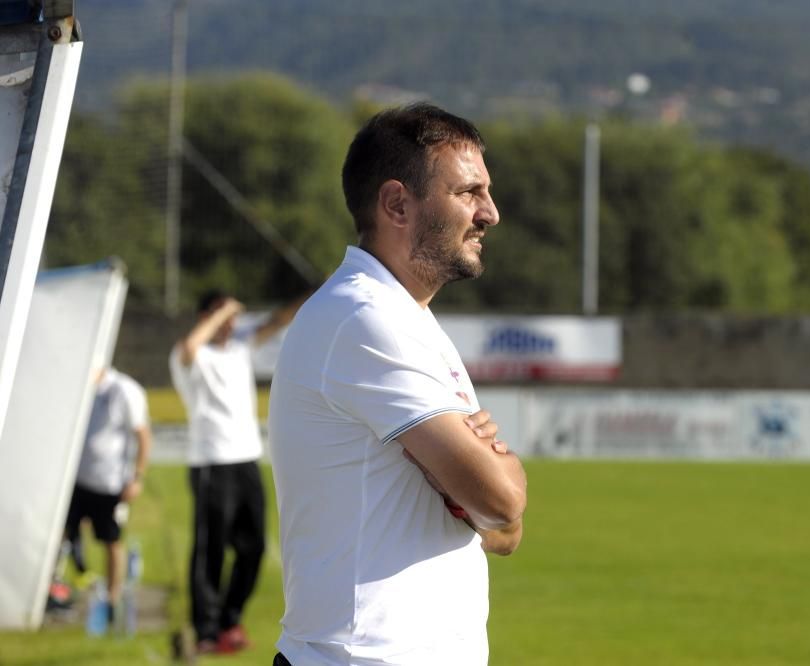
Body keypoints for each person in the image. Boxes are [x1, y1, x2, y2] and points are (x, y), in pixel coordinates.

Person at [268, 103, 528, 666]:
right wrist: (488, 477)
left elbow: (504, 530)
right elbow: (502, 499)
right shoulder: (364, 318)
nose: (492, 213)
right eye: (469, 192)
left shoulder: (403, 315)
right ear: (396, 204)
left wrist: (481, 489)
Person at [169, 289, 303, 655]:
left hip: (246, 459)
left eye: (232, 316)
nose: (230, 322)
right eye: (221, 316)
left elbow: (277, 321)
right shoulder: (192, 354)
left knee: (254, 547)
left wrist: (317, 290)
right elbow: (189, 348)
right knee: (210, 549)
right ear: (205, 317)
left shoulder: (240, 349)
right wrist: (220, 313)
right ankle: (206, 631)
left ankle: (230, 619)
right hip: (211, 462)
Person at [64, 366, 152, 624]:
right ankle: (63, 588)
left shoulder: (123, 390)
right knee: (64, 534)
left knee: (111, 540)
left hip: (109, 483)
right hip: (76, 480)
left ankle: (113, 599)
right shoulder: (75, 382)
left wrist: (137, 478)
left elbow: (143, 435)